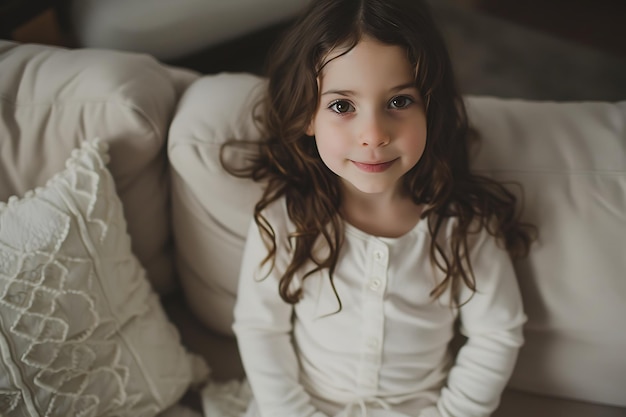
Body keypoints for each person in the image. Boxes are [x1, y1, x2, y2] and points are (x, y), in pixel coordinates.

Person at [224, 0, 536, 416]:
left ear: (430, 106)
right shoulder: (285, 218)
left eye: (399, 102)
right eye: (342, 106)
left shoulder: (463, 225)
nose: (373, 134)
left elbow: (497, 333)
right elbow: (261, 328)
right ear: (307, 115)